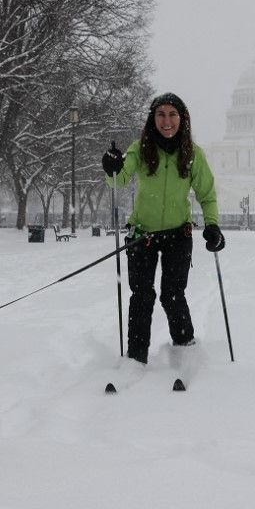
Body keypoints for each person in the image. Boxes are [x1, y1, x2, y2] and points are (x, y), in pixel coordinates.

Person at [102, 93, 225, 365]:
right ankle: (136, 358)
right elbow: (118, 180)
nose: (166, 121)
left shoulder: (193, 154)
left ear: (182, 119)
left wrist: (213, 226)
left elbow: (207, 195)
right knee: (142, 296)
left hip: (177, 235)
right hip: (142, 235)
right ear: (152, 118)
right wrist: (111, 166)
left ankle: (185, 349)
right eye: (161, 115)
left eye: (172, 115)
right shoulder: (140, 148)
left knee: (172, 294)